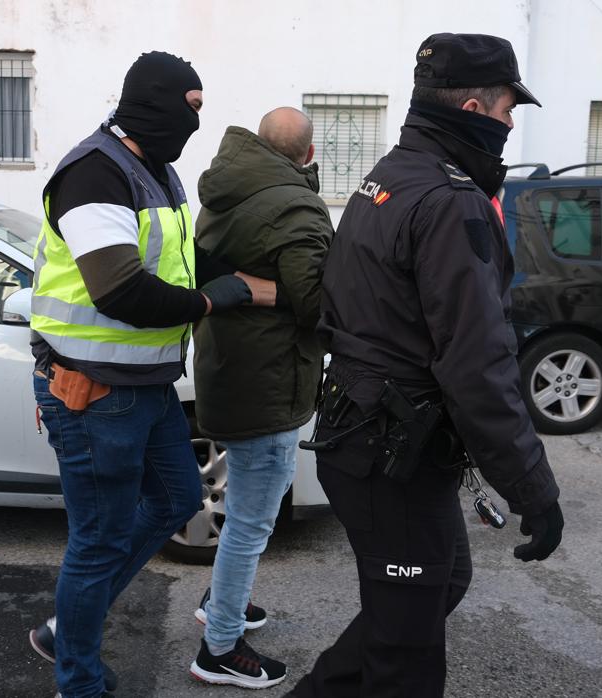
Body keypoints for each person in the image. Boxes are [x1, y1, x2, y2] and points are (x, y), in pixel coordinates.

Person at [289, 33, 565, 697]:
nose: (507, 123)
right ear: (473, 106)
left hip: (368, 436)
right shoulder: (450, 200)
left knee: (437, 586)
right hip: (390, 453)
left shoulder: (389, 174)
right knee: (405, 658)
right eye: (506, 109)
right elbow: (478, 366)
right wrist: (531, 487)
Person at [25, 51, 274, 698]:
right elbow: (121, 293)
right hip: (93, 391)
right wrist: (217, 298)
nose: (195, 123)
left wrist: (250, 270)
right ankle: (77, 682)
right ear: (152, 101)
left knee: (175, 499)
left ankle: (66, 627)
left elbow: (178, 257)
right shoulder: (94, 174)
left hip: (143, 384)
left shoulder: (155, 171)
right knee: (100, 541)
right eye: (189, 107)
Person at [187, 108, 334, 689]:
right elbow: (318, 305)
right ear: (309, 153)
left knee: (246, 513)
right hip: (269, 380)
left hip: (227, 365)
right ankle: (219, 647)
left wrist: (255, 289)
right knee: (251, 522)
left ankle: (221, 599)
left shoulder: (226, 185)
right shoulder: (295, 208)